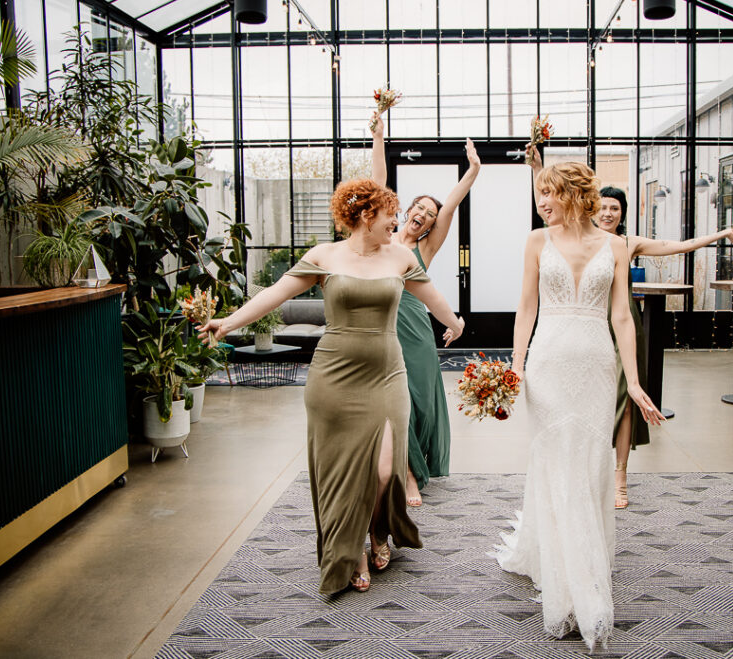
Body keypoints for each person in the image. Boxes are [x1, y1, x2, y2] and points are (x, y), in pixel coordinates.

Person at [199, 178, 464, 594]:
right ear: (365, 215)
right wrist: (229, 323)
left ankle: (379, 529)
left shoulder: (399, 256)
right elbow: (275, 293)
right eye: (389, 214)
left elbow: (433, 298)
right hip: (334, 377)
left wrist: (456, 322)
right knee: (342, 471)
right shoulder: (325, 256)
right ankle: (354, 548)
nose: (395, 222)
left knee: (383, 471)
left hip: (387, 373)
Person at [495, 158, 665, 650]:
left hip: (595, 365)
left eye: (549, 194)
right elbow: (526, 307)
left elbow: (623, 319)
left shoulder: (614, 246)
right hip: (547, 365)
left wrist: (633, 382)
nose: (541, 202)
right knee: (555, 460)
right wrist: (517, 365)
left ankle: (580, 563)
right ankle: (569, 582)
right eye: (539, 194)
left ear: (574, 195)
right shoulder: (535, 241)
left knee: (589, 464)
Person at [595, 186, 733, 508]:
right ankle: (588, 473)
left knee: (626, 399)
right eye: (603, 207)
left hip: (625, 326)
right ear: (592, 208)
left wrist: (718, 234)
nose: (608, 213)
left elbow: (678, 246)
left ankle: (620, 478)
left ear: (623, 213)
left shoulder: (628, 243)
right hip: (588, 324)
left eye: (615, 208)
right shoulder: (580, 239)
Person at [369, 113, 481, 507]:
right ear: (406, 210)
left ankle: (413, 466)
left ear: (432, 225)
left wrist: (473, 171)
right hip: (380, 325)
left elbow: (451, 205)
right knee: (390, 400)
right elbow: (377, 182)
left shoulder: (426, 248)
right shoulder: (380, 237)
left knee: (419, 398)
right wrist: (379, 137)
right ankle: (409, 475)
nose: (424, 214)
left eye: (430, 215)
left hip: (415, 328)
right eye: (419, 207)